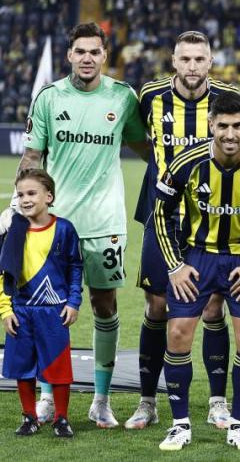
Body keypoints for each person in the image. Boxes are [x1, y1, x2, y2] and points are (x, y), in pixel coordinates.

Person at [18, 22, 149, 428]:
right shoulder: (49, 97)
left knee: (104, 305)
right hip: (54, 226)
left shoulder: (122, 97)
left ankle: (101, 399)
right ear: (69, 55)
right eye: (80, 51)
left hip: (105, 223)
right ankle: (46, 396)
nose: (87, 58)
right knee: (47, 309)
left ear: (105, 56)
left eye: (95, 51)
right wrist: (19, 207)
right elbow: (31, 159)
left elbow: (147, 148)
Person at [152, 91, 240, 451]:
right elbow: (161, 213)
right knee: (177, 333)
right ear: (211, 124)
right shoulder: (186, 162)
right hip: (198, 257)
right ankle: (180, 425)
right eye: (223, 126)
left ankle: (239, 426)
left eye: (237, 126)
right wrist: (176, 265)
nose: (230, 134)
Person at [126, 30, 239, 430]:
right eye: (185, 59)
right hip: (162, 216)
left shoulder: (227, 98)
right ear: (173, 61)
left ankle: (217, 402)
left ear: (211, 62)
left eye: (199, 59)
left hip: (209, 218)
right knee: (157, 307)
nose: (192, 66)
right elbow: (138, 139)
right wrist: (163, 171)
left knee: (212, 308)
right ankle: (147, 401)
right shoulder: (151, 96)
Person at [1, 169, 82, 438]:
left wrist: (73, 301)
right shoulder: (13, 231)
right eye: (20, 194)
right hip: (21, 312)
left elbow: (75, 267)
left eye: (31, 193)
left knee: (58, 368)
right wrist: (5, 310)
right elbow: (3, 273)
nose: (25, 199)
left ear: (49, 196)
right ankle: (29, 417)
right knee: (23, 367)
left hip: (54, 312)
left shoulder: (65, 229)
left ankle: (61, 418)